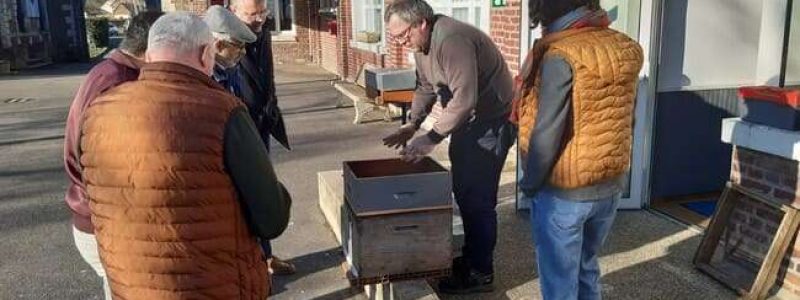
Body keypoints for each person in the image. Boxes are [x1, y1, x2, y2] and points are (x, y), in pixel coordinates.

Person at [79, 12, 291, 298]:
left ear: (149, 54)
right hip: (214, 286)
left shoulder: (99, 112)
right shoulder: (222, 111)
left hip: (133, 287)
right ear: (206, 54)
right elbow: (272, 218)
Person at [382, 0, 516, 294]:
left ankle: (481, 273)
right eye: (395, 37)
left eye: (403, 34)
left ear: (421, 23)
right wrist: (411, 125)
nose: (402, 42)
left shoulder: (453, 41)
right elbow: (426, 87)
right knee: (464, 189)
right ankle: (471, 259)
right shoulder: (421, 47)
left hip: (492, 121)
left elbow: (464, 100)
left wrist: (431, 138)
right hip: (468, 121)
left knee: (477, 197)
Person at [514, 0, 644, 299]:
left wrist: (530, 182)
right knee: (587, 267)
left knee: (559, 282)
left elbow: (548, 131)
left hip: (564, 190)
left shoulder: (561, 55)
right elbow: (627, 116)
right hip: (609, 182)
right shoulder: (625, 47)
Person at [62, 11, 163, 299]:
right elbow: (105, 163)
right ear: (152, 49)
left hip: (100, 216)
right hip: (106, 221)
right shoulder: (119, 83)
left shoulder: (113, 72)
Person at [230, 0, 296, 276]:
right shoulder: (222, 41)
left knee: (263, 191)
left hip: (262, 123)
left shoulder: (262, 32)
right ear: (234, 12)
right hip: (238, 129)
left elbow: (265, 76)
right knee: (243, 196)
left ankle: (266, 257)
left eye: (263, 12)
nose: (259, 19)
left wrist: (271, 105)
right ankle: (251, 262)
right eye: (252, 14)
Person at [204, 5, 256, 95]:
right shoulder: (201, 77)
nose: (244, 52)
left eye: (244, 46)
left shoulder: (231, 70)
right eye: (238, 46)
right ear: (218, 45)